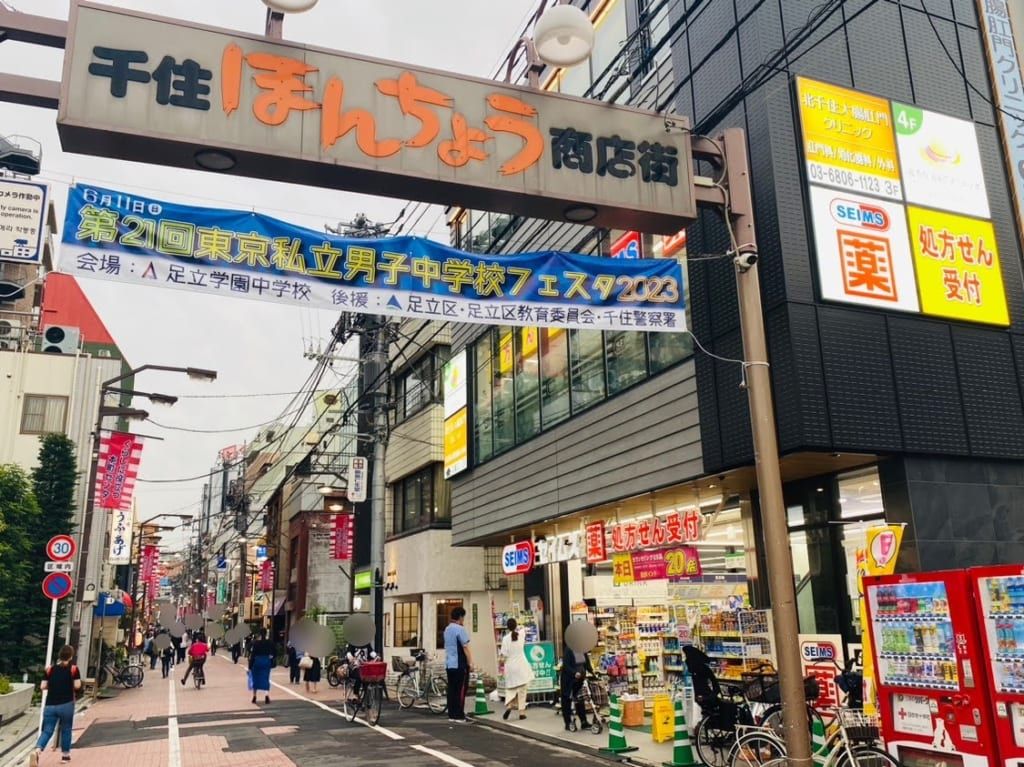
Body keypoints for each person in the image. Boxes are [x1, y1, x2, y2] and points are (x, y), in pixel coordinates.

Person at [29, 645, 81, 765]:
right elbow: (77, 685)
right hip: (67, 704)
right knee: (66, 729)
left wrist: (53, 685)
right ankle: (65, 756)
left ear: (60, 655)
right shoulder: (73, 669)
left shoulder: (49, 669)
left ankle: (37, 750)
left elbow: (43, 686)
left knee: (47, 730)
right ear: (71, 656)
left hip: (50, 705)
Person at [499, 618, 534, 721]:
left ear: (507, 627)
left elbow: (503, 655)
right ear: (515, 625)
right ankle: (521, 713)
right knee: (522, 689)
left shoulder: (505, 639)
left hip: (510, 666)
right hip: (521, 665)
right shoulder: (521, 635)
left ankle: (509, 705)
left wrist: (500, 662)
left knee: (511, 689)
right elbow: (525, 628)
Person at [443, 606, 473, 723]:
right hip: (459, 664)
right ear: (460, 617)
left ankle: (451, 714)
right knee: (461, 690)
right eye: (463, 617)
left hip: (449, 664)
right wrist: (470, 662)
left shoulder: (447, 629)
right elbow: (465, 647)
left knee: (451, 689)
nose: (463, 620)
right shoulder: (460, 629)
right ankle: (459, 715)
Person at [560, 643, 593, 731]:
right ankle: (568, 723)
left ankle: (583, 721)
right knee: (567, 700)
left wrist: (591, 672)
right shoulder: (569, 649)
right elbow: (566, 665)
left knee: (580, 699)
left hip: (580, 678)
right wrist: (574, 673)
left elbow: (587, 662)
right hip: (569, 679)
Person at [249, 629, 276, 705]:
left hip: (257, 661)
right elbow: (275, 652)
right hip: (266, 661)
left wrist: (250, 666)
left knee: (255, 679)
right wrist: (271, 657)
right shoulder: (270, 642)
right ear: (266, 633)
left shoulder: (256, 643)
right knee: (265, 678)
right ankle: (266, 695)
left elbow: (252, 654)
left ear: (259, 634)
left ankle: (254, 696)